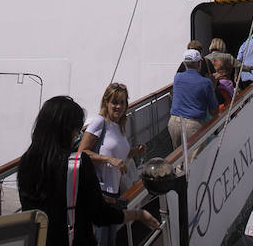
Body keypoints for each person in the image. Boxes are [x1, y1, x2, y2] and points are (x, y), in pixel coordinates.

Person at [18, 96, 159, 246]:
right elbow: (100, 215)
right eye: (77, 130)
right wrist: (138, 214)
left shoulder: (26, 162)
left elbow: (43, 205)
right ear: (67, 130)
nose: (77, 135)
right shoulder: (77, 165)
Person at [78, 84, 146, 246]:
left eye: (122, 102)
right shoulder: (99, 122)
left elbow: (118, 156)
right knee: (100, 240)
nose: (119, 107)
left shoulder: (120, 126)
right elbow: (82, 152)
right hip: (99, 191)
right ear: (106, 102)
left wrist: (135, 151)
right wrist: (109, 160)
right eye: (115, 102)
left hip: (114, 193)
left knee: (110, 241)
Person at [167, 49, 218, 149]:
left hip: (174, 122)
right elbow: (214, 110)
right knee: (194, 160)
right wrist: (213, 86)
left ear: (185, 64)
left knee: (178, 158)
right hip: (193, 125)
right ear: (199, 63)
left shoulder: (177, 77)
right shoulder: (205, 83)